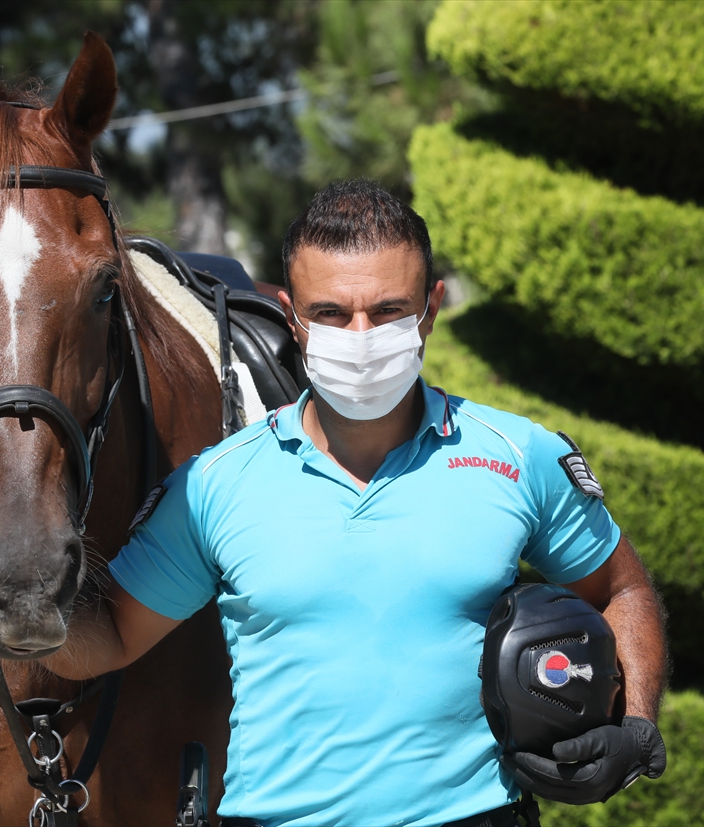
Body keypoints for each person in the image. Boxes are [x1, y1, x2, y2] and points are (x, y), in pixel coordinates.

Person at [45, 179, 668, 826]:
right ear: (291, 315)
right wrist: (6, 602)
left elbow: (621, 588)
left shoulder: (517, 454)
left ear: (431, 309)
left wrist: (637, 720)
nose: (362, 336)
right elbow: (110, 633)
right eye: (332, 313)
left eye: (389, 311)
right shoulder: (214, 484)